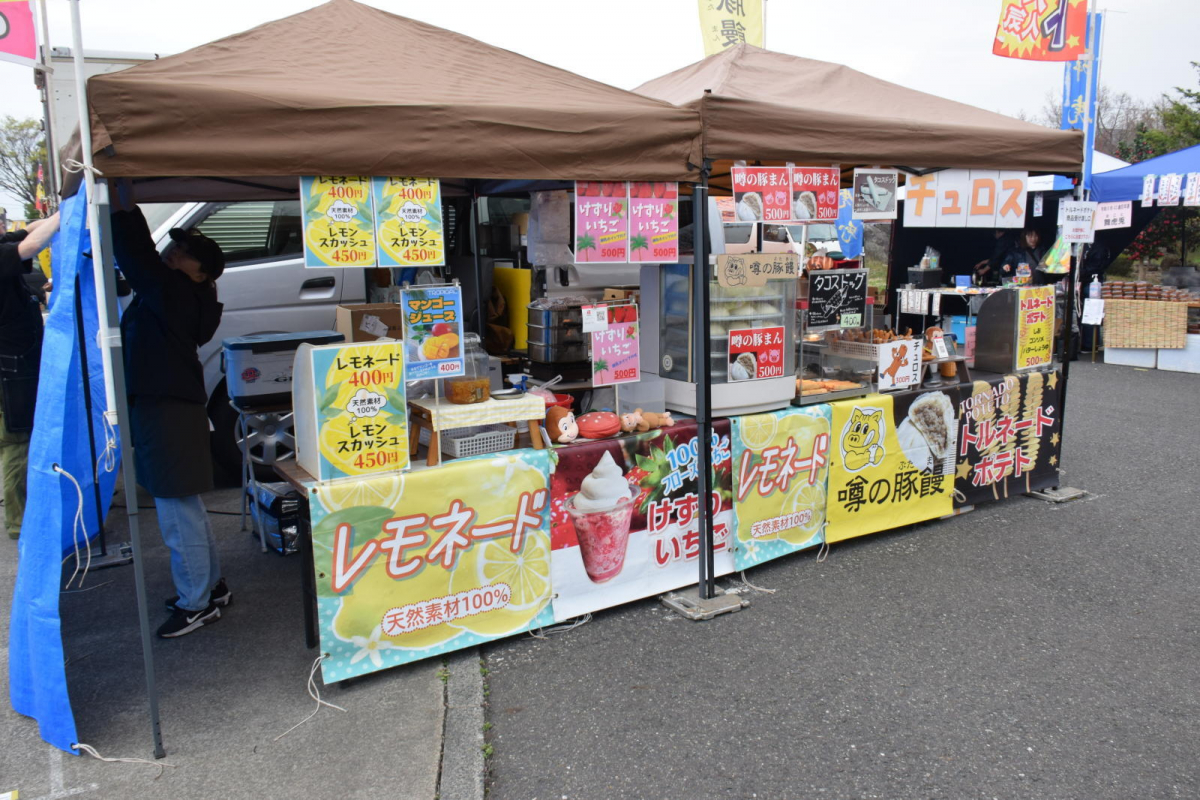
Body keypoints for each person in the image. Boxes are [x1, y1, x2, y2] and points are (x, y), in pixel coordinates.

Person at [110, 202, 230, 638]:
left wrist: (122, 210)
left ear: (201, 273)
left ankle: (196, 603)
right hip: (172, 405)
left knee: (177, 510)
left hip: (167, 408)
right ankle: (211, 588)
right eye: (176, 246)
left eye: (186, 253)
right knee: (186, 505)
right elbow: (145, 261)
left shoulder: (174, 292)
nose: (174, 252)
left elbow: (136, 256)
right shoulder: (186, 293)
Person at [0, 213, 59, 539]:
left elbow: (28, 231)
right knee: (16, 442)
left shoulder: (2, 243)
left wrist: (58, 214)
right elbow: (32, 245)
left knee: (22, 438)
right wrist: (65, 216)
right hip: (8, 367)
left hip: (17, 363)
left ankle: (26, 515)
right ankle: (19, 523)